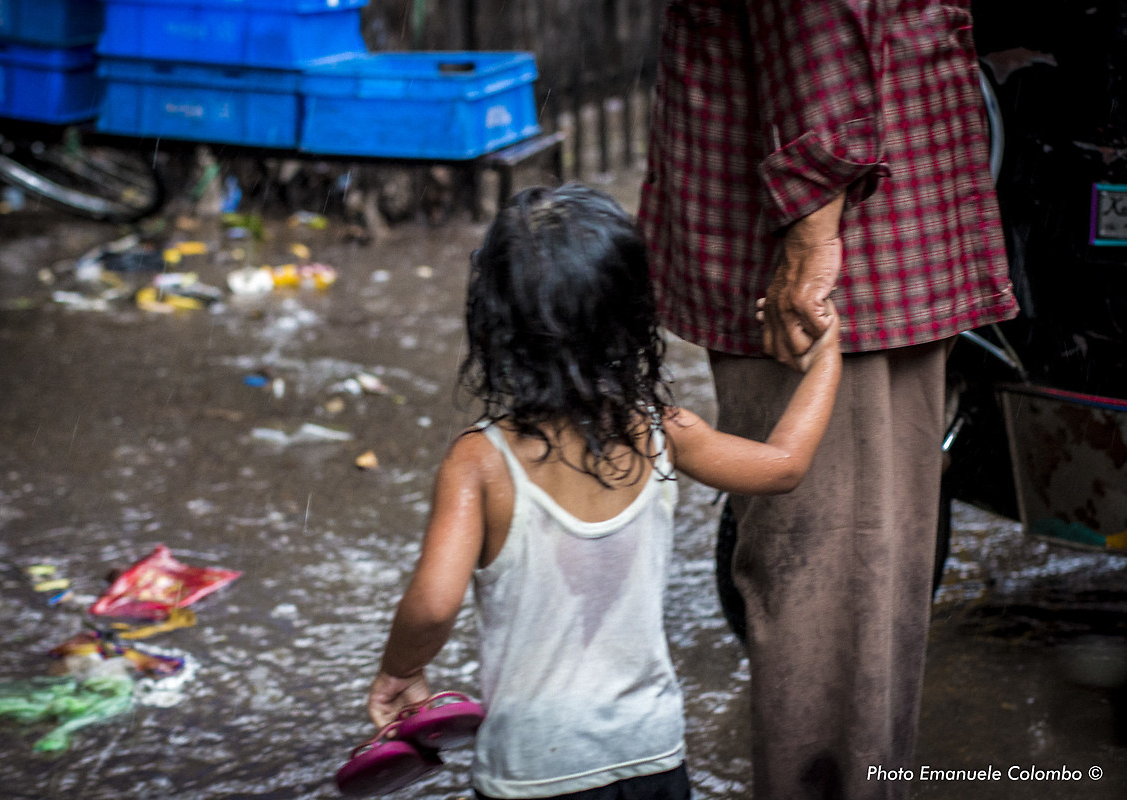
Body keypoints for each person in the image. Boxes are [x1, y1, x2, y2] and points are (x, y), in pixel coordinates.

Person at [637, 2, 1021, 800]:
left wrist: (816, 224)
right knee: (852, 615)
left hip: (851, 242)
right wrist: (818, 218)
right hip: (857, 240)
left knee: (849, 612)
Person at [366, 184, 841, 800]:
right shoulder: (664, 430)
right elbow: (782, 465)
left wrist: (400, 669)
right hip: (652, 752)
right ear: (634, 316)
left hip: (534, 768)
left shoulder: (479, 463)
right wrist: (827, 358)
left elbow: (432, 607)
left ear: (495, 328)